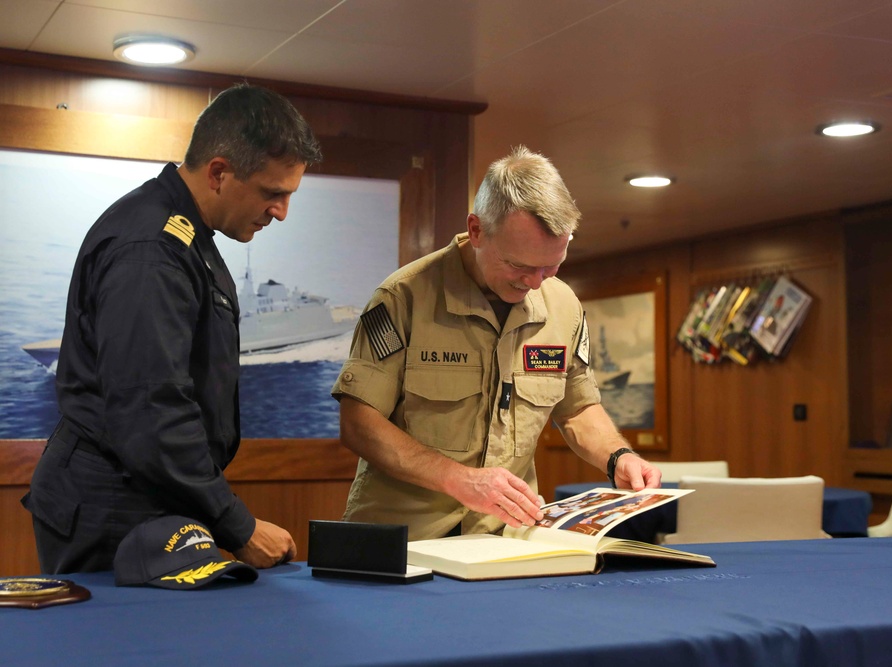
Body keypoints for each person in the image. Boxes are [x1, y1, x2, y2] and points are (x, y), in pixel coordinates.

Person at [22, 84, 323, 574]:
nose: (281, 212)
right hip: (112, 506)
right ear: (219, 172)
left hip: (145, 495)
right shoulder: (152, 250)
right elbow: (151, 409)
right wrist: (238, 526)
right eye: (273, 193)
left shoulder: (184, 232)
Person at [332, 145, 662, 541]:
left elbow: (577, 410)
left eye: (552, 266)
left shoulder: (563, 306)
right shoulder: (403, 297)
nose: (536, 283)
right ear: (476, 231)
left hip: (504, 540)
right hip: (401, 540)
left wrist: (618, 457)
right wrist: (459, 480)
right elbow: (358, 423)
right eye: (520, 266)